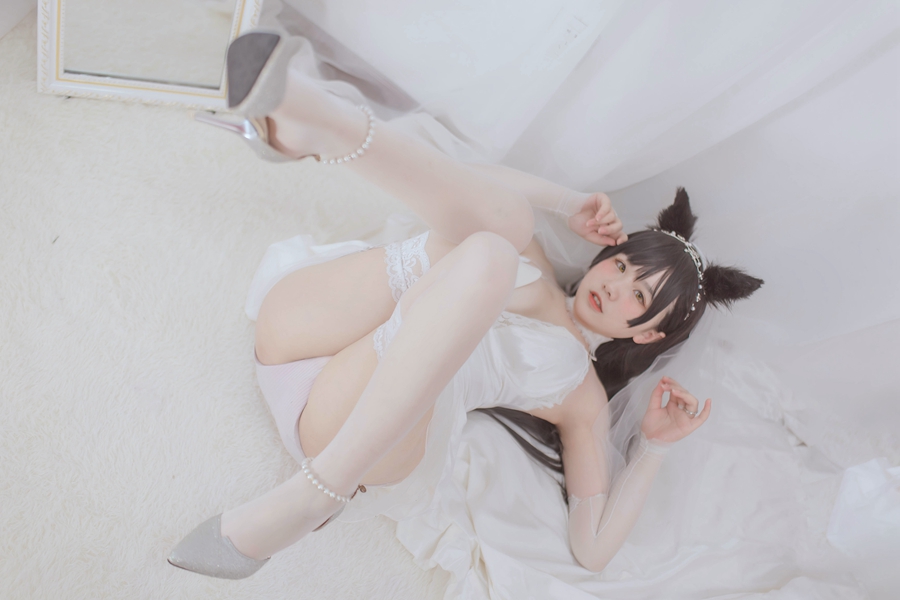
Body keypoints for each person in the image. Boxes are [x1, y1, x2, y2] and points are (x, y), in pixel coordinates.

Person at [167, 32, 763, 580]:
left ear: (649, 335)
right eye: (624, 265)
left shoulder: (583, 400)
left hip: (348, 430)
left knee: (494, 254)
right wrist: (566, 203)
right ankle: (320, 128)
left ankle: (315, 492)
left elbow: (593, 548)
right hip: (300, 330)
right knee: (505, 229)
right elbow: (455, 179)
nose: (614, 285)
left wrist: (654, 445)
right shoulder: (529, 250)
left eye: (639, 296)